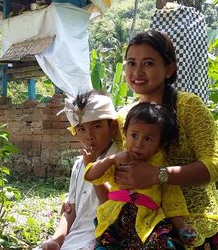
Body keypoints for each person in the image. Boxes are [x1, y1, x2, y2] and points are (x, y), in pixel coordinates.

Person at [114, 30, 218, 249]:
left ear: (169, 69)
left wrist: (159, 175)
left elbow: (217, 166)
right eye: (131, 63)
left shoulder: (187, 106)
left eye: (148, 63)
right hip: (142, 216)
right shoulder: (123, 118)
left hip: (193, 218)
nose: (137, 71)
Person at [84, 102, 196, 249]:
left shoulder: (161, 168)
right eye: (134, 135)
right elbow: (92, 177)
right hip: (114, 220)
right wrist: (110, 159)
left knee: (165, 245)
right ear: (125, 133)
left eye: (148, 139)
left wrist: (182, 227)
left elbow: (172, 202)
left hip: (149, 221)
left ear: (160, 144)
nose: (138, 144)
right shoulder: (119, 160)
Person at [39, 91, 119, 250]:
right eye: (81, 129)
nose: (89, 136)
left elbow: (113, 207)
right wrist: (56, 240)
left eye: (96, 126)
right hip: (74, 239)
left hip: (106, 241)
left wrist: (93, 171)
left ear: (113, 127)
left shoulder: (121, 161)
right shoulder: (79, 164)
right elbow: (70, 210)